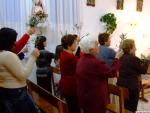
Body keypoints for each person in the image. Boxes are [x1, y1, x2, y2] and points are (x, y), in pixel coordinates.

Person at [76, 34, 123, 113]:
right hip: (95, 99)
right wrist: (117, 58)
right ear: (91, 49)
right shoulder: (95, 62)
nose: (98, 47)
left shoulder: (81, 60)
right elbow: (111, 72)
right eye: (96, 45)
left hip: (85, 96)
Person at [0, 27, 39, 113]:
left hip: (6, 91)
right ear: (9, 41)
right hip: (17, 93)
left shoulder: (2, 53)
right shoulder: (8, 55)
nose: (15, 42)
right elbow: (23, 75)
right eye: (14, 40)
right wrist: (33, 57)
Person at [117, 39, 149, 112]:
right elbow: (143, 70)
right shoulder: (133, 59)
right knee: (132, 108)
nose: (136, 49)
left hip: (122, 86)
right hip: (132, 88)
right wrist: (147, 60)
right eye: (134, 47)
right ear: (130, 48)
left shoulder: (121, 57)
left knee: (125, 106)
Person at [59, 34, 80, 113]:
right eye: (74, 43)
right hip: (71, 86)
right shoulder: (70, 57)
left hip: (66, 84)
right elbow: (79, 66)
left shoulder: (63, 53)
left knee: (71, 107)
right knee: (74, 108)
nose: (76, 44)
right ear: (68, 45)